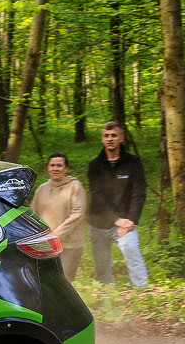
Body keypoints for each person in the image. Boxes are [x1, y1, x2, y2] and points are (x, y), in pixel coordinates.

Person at [85, 121, 149, 288]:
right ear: (102, 139)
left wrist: (131, 220)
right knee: (102, 266)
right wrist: (116, 220)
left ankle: (142, 289)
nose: (110, 139)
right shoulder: (94, 165)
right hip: (100, 221)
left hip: (126, 221)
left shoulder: (133, 162)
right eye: (106, 136)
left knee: (131, 249)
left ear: (122, 138)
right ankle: (107, 293)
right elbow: (97, 195)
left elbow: (139, 192)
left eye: (114, 135)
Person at [33, 152, 86, 281]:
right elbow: (33, 215)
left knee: (65, 281)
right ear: (47, 168)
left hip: (69, 245)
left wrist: (55, 235)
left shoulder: (75, 186)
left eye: (59, 165)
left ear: (66, 168)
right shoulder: (41, 189)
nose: (55, 168)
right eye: (52, 165)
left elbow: (77, 214)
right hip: (46, 245)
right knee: (45, 281)